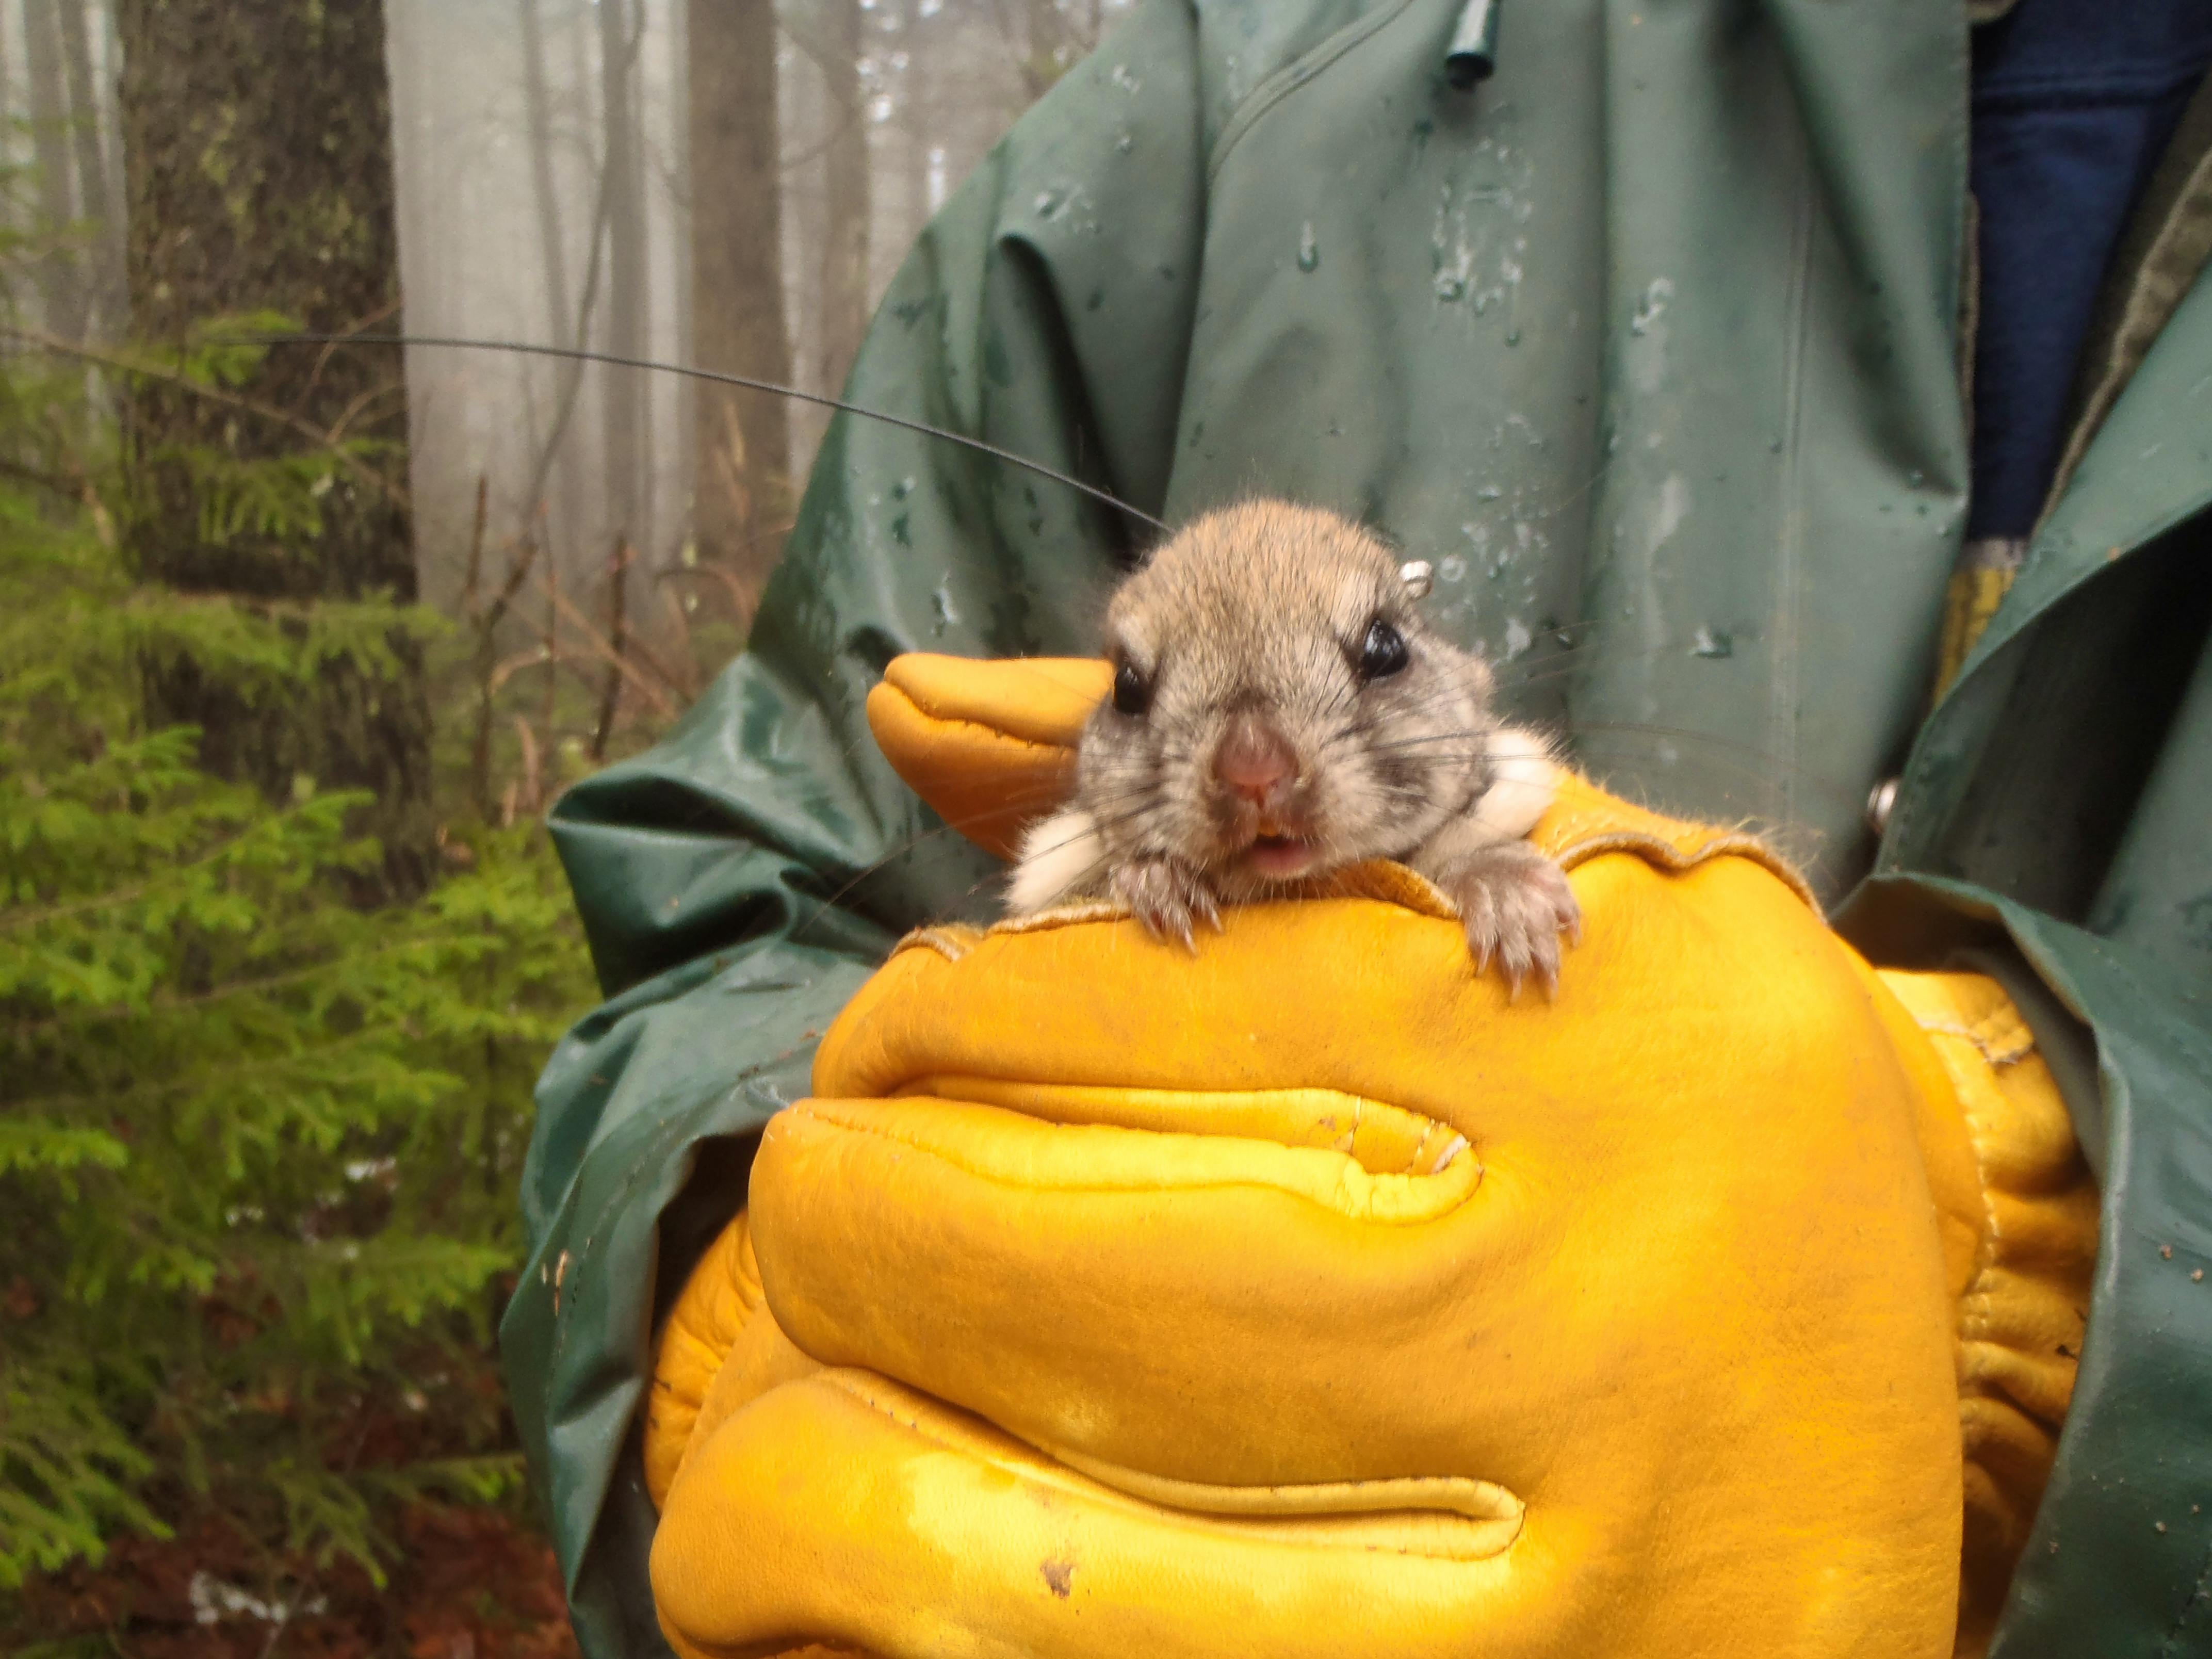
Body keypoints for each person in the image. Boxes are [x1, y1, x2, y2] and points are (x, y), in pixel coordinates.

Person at [501, 1, 2212, 1653]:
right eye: (1173, 709)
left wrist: (2081, 1323)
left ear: (1431, 656)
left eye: (1364, 665)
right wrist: (737, 1278)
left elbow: (1516, 831)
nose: (1261, 779)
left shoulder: (1492, 786)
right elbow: (745, 897)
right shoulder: (1234, 83)